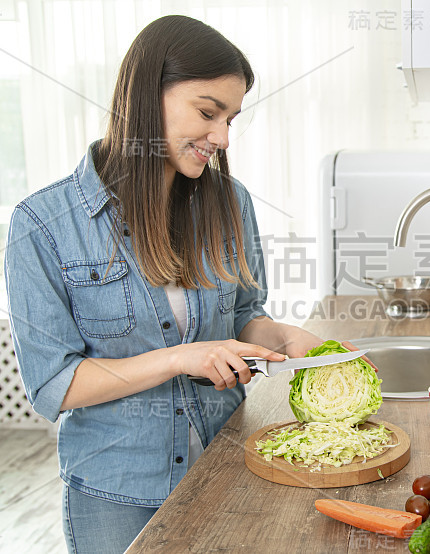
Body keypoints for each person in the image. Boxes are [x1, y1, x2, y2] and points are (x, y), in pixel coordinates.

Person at [5, 15, 327, 553]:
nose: (222, 138)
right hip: (118, 492)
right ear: (146, 94)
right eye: (208, 112)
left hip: (229, 467)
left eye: (231, 119)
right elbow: (54, 385)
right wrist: (179, 358)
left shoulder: (230, 203)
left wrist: (285, 338)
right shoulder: (44, 224)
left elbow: (246, 312)